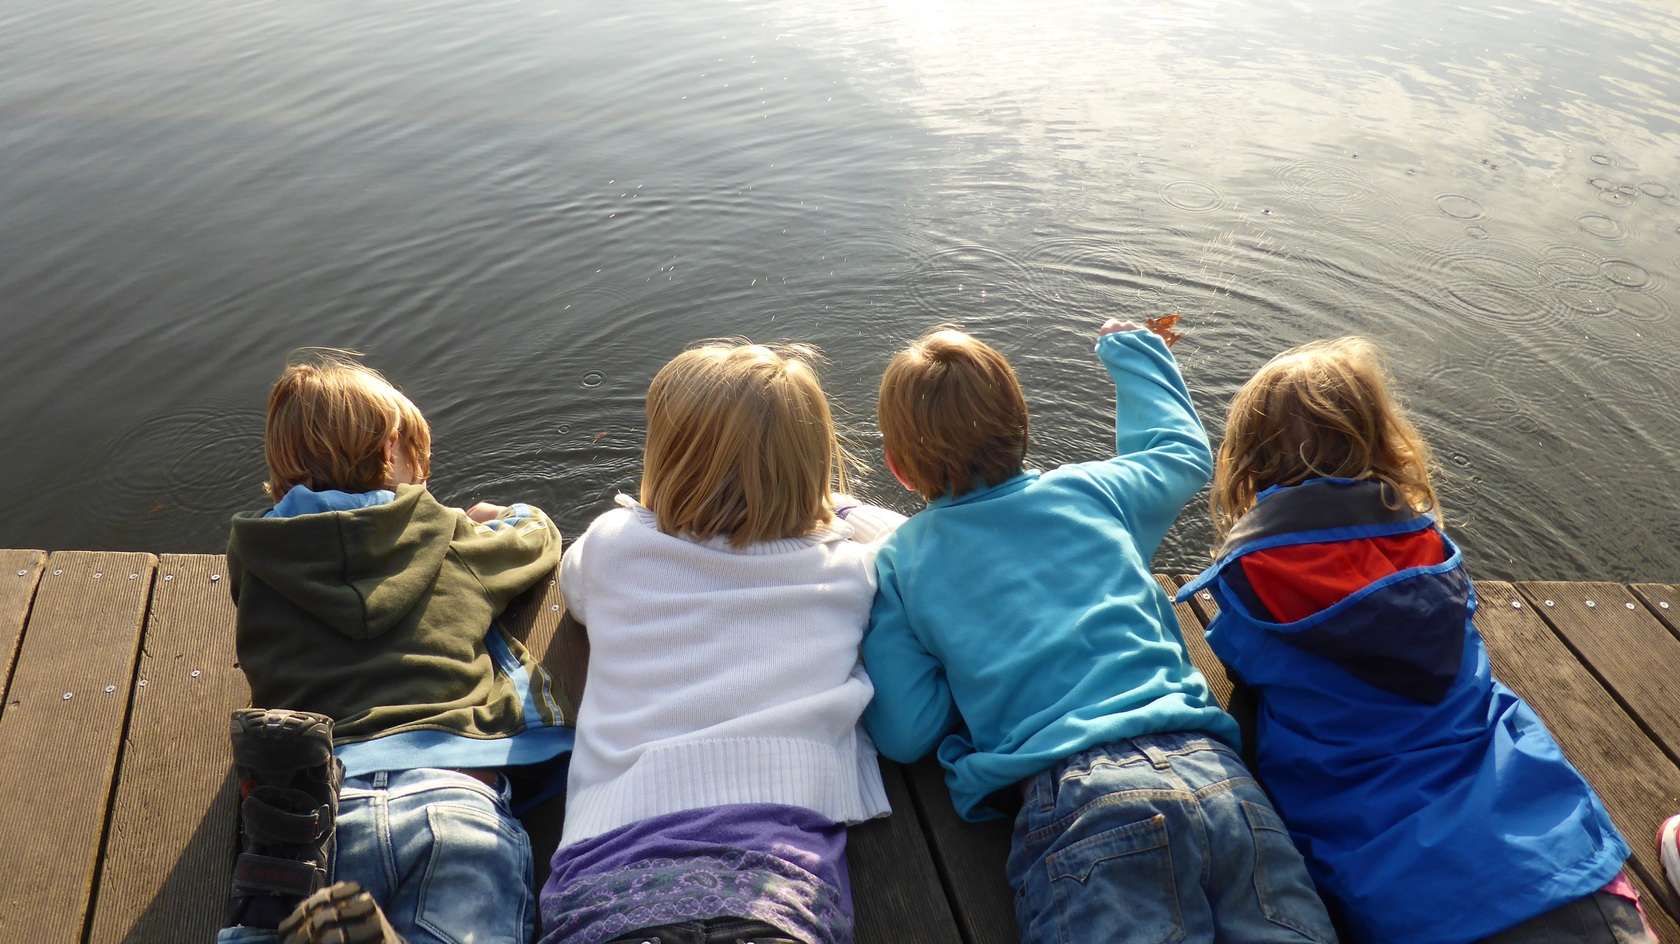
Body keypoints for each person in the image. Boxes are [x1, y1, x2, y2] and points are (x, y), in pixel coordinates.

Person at [861, 323, 1336, 944]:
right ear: (1023, 428)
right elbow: (1179, 453)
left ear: (898, 467)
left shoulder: (902, 562)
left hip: (1085, 800)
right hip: (1221, 780)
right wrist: (1132, 349)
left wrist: (973, 660)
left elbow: (904, 732)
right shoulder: (1094, 491)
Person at [1177, 336, 1652, 944]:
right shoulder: (1432, 553)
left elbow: (1243, 660)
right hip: (1552, 847)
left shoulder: (1250, 582)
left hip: (1409, 888)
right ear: (1381, 440)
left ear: (1246, 462)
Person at [537, 342, 901, 944]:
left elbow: (573, 594)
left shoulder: (612, 545)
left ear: (665, 457)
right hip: (777, 864)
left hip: (611, 859)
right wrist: (841, 506)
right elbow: (915, 541)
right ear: (812, 463)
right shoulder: (847, 569)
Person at [221, 350, 569, 944]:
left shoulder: (258, 556)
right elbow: (537, 538)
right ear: (390, 452)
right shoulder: (450, 539)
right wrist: (495, 515)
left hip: (324, 810)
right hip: (454, 797)